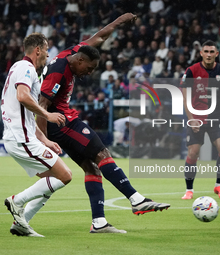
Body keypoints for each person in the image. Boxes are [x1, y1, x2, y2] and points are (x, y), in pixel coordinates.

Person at [37, 13, 170, 234]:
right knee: (103, 153)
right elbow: (42, 104)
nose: (89, 73)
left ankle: (99, 223)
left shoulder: (74, 53)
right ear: (80, 60)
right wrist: (43, 139)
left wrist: (119, 22)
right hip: (62, 123)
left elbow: (99, 37)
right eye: (88, 68)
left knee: (93, 169)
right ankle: (136, 199)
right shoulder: (59, 70)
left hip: (60, 123)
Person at [1, 33, 72, 237]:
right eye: (47, 50)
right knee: (65, 175)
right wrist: (48, 114)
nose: (48, 55)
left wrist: (45, 140)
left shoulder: (17, 67)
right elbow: (22, 97)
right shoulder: (26, 68)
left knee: (52, 179)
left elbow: (27, 117)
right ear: (38, 50)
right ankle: (17, 201)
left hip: (22, 136)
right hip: (20, 138)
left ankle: (21, 223)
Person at [180, 40, 220, 200]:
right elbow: (185, 98)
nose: (209, 54)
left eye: (212, 52)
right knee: (193, 152)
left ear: (216, 54)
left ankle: (219, 185)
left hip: (217, 118)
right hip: (196, 118)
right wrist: (191, 119)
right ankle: (189, 190)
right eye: (206, 51)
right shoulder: (191, 71)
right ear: (201, 53)